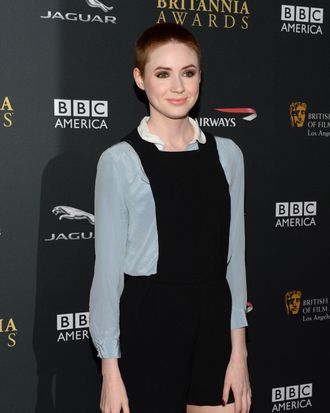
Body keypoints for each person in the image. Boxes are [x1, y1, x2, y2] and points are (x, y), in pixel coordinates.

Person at [89, 22, 251, 413]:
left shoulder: (228, 155)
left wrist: (240, 353)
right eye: (163, 73)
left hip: (214, 319)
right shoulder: (119, 161)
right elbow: (107, 273)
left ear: (199, 77)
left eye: (188, 73)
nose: (178, 87)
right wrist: (111, 371)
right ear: (140, 79)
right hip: (150, 322)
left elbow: (236, 261)